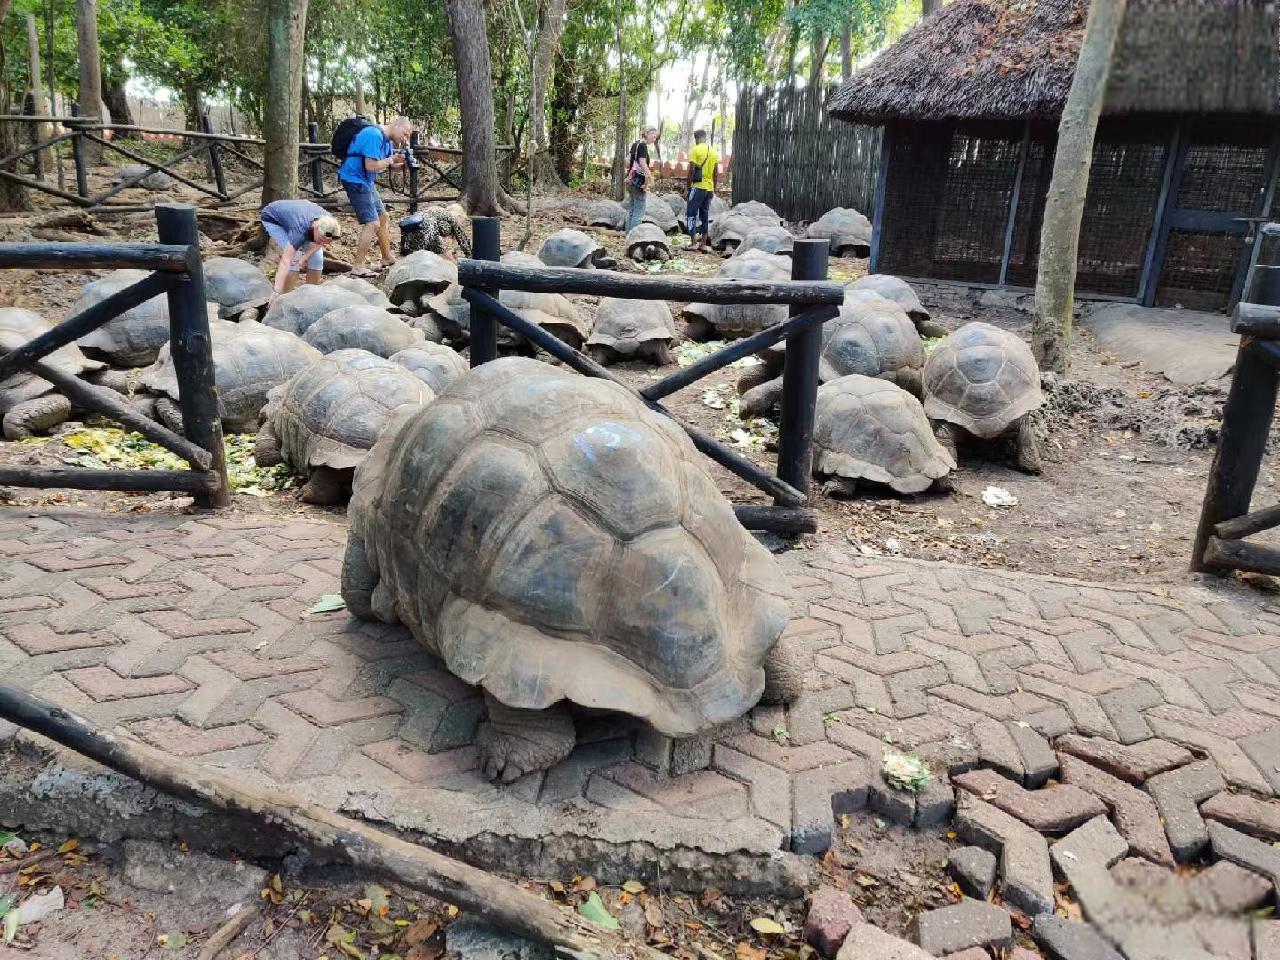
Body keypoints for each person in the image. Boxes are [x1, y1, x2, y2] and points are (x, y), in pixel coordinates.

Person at [338, 116, 413, 275]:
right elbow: (371, 165)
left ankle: (387, 258)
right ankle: (358, 266)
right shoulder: (374, 135)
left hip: (366, 181)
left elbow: (381, 164)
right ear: (396, 126)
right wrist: (391, 159)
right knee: (372, 223)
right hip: (355, 179)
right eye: (405, 134)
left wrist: (399, 162)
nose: (405, 139)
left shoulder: (387, 142)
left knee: (383, 217)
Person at [260, 198, 343, 298]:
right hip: (273, 218)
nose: (323, 243)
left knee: (317, 258)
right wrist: (276, 290)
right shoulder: (300, 230)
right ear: (316, 228)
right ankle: (284, 296)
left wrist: (305, 257)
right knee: (294, 257)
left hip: (300, 214)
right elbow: (285, 261)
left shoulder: (330, 225)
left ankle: (311, 296)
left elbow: (321, 242)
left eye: (326, 242)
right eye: (321, 239)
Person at [685, 129, 718, 252]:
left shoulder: (695, 150)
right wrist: (713, 189)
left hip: (697, 187)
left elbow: (692, 170)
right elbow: (716, 173)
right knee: (705, 215)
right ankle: (703, 244)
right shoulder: (713, 151)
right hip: (709, 188)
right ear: (705, 137)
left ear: (696, 138)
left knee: (691, 214)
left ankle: (693, 242)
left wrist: (688, 188)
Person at [624, 126, 659, 233]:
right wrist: (650, 176)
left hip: (631, 180)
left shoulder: (636, 144)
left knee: (632, 211)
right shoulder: (643, 146)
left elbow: (628, 162)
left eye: (655, 134)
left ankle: (628, 236)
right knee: (638, 212)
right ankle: (634, 237)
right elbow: (643, 162)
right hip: (639, 183)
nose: (654, 136)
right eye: (652, 134)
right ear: (646, 133)